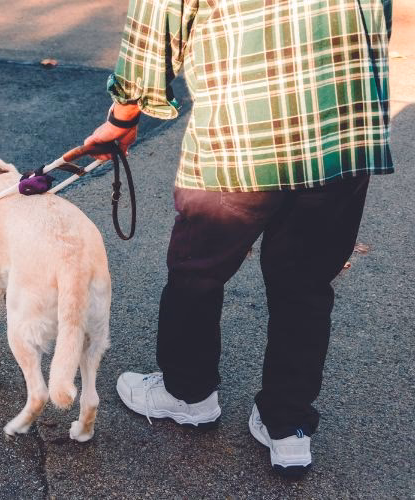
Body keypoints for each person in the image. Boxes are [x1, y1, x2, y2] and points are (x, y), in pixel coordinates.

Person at [84, 0, 393, 476]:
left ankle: (188, 394)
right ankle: (287, 428)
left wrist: (124, 116)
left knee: (196, 273)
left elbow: (154, 30)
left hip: (242, 137)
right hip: (343, 132)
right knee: (306, 286)